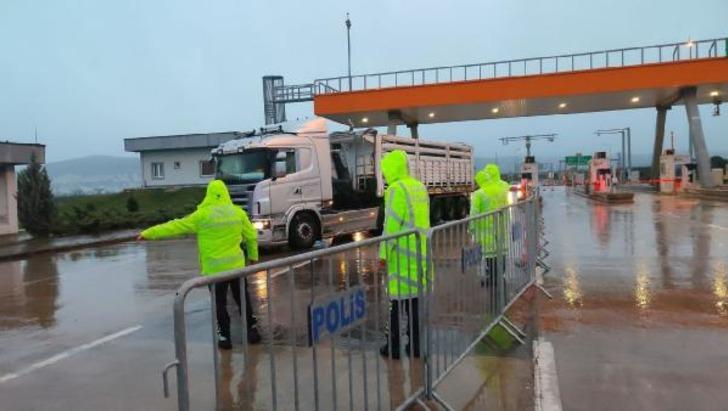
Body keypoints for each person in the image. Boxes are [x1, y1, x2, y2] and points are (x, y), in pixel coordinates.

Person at [137, 179, 260, 349]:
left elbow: (175, 226)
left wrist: (148, 233)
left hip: (214, 270)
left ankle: (225, 337)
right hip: (236, 268)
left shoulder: (201, 216)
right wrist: (253, 257)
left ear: (208, 195)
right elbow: (251, 236)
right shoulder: (238, 213)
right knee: (242, 299)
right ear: (226, 194)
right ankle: (252, 331)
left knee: (220, 305)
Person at [378, 150, 430, 360]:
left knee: (396, 305)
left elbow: (391, 226)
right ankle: (416, 346)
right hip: (420, 255)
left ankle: (393, 347)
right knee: (415, 305)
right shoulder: (419, 187)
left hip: (400, 257)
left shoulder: (396, 190)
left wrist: (383, 254)